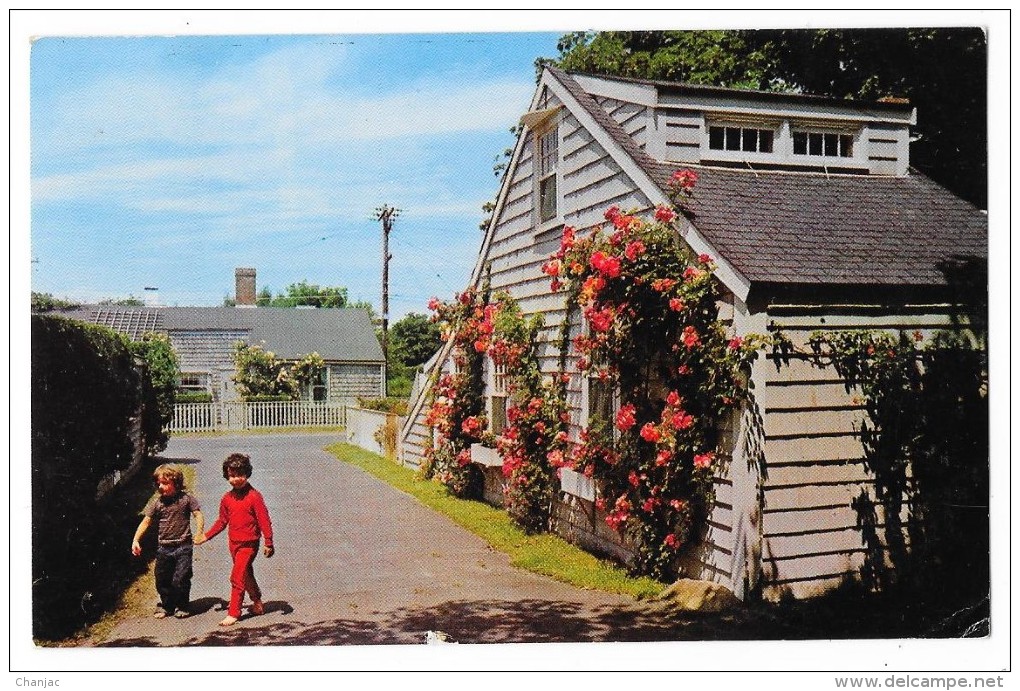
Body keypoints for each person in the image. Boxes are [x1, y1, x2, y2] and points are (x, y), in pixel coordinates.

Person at [194, 453, 274, 627]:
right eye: (231, 476)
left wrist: (268, 541)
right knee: (245, 573)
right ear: (226, 476)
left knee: (236, 576)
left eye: (240, 475)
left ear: (247, 473)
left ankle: (234, 613)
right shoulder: (227, 499)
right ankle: (257, 602)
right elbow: (222, 521)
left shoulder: (254, 496)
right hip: (234, 543)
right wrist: (205, 536)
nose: (236, 479)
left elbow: (264, 520)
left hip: (249, 544)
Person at [131, 464, 204, 619]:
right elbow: (146, 522)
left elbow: (198, 515)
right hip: (164, 548)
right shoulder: (158, 503)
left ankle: (183, 605)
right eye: (158, 484)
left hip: (183, 546)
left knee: (181, 578)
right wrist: (136, 540)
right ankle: (167, 605)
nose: (160, 487)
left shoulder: (186, 499)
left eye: (165, 483)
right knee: (162, 579)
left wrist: (199, 533)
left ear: (176, 483)